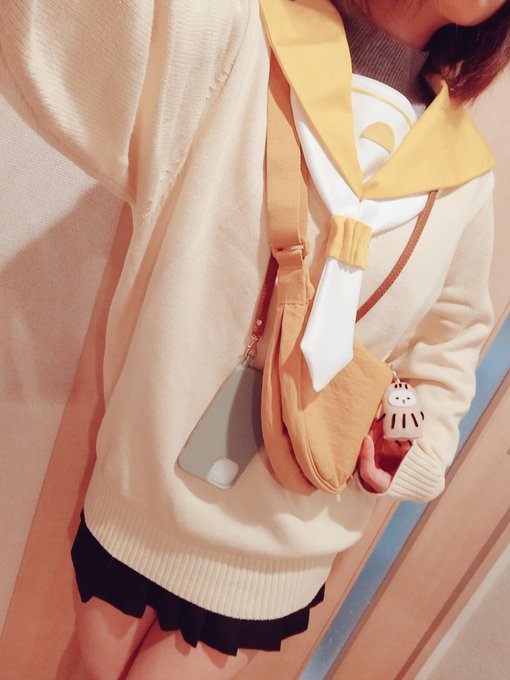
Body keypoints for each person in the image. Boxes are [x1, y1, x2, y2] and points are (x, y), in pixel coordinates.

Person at [1, 0, 509, 677]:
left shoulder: (463, 175)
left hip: (281, 542)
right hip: (143, 493)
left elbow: (448, 356)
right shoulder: (240, 35)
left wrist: (394, 446)